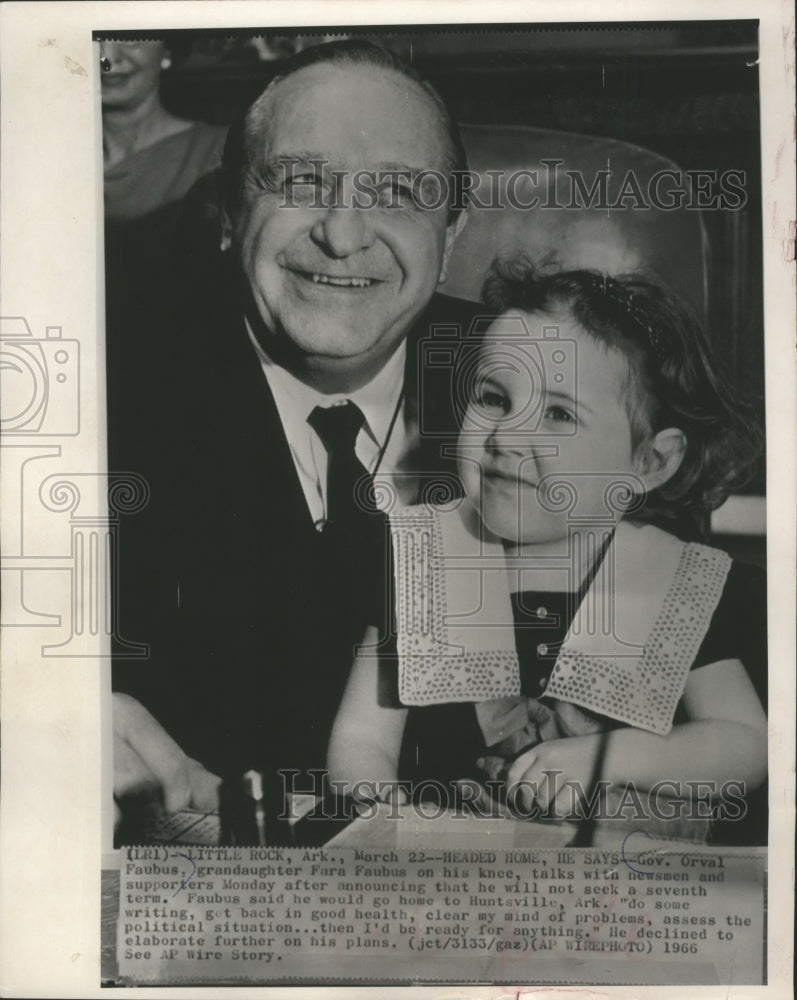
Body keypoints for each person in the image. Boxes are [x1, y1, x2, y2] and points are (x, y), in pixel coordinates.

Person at [111, 40, 475, 832]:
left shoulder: (545, 387)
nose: (342, 235)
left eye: (397, 192)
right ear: (227, 212)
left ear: (451, 235)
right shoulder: (104, 390)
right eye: (300, 182)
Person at [328, 261, 767, 840]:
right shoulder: (422, 560)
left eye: (559, 413)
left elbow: (745, 743)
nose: (507, 436)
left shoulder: (672, 581)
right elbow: (361, 740)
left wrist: (604, 758)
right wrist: (387, 822)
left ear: (650, 462)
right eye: (493, 397)